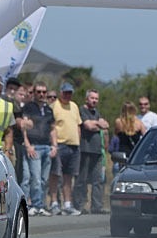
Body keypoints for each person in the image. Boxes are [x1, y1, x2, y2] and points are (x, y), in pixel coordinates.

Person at [22, 81, 57, 216]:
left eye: (44, 92)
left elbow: (53, 129)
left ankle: (41, 205)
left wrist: (55, 146)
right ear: (34, 93)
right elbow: (24, 128)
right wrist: (28, 145)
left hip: (47, 147)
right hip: (34, 147)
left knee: (44, 179)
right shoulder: (28, 107)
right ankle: (35, 204)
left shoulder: (49, 110)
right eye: (39, 92)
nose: (41, 94)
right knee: (35, 178)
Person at [73, 89, 109, 214]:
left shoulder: (96, 112)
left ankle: (97, 206)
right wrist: (98, 124)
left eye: (96, 99)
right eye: (92, 98)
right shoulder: (82, 110)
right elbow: (88, 125)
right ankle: (79, 205)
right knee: (82, 179)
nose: (94, 101)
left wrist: (96, 124)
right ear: (86, 99)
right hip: (85, 149)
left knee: (98, 179)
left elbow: (105, 125)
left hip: (98, 151)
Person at [49, 82, 82, 215]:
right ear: (60, 92)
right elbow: (51, 126)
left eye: (70, 93)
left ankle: (68, 203)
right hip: (60, 144)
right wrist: (54, 144)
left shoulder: (74, 106)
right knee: (55, 174)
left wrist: (78, 140)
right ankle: (54, 202)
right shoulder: (54, 106)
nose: (68, 95)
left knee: (69, 176)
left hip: (73, 145)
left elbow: (78, 124)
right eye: (66, 93)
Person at [112, 101, 146, 173]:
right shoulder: (139, 123)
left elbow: (115, 134)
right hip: (135, 155)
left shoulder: (118, 122)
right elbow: (145, 137)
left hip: (122, 155)